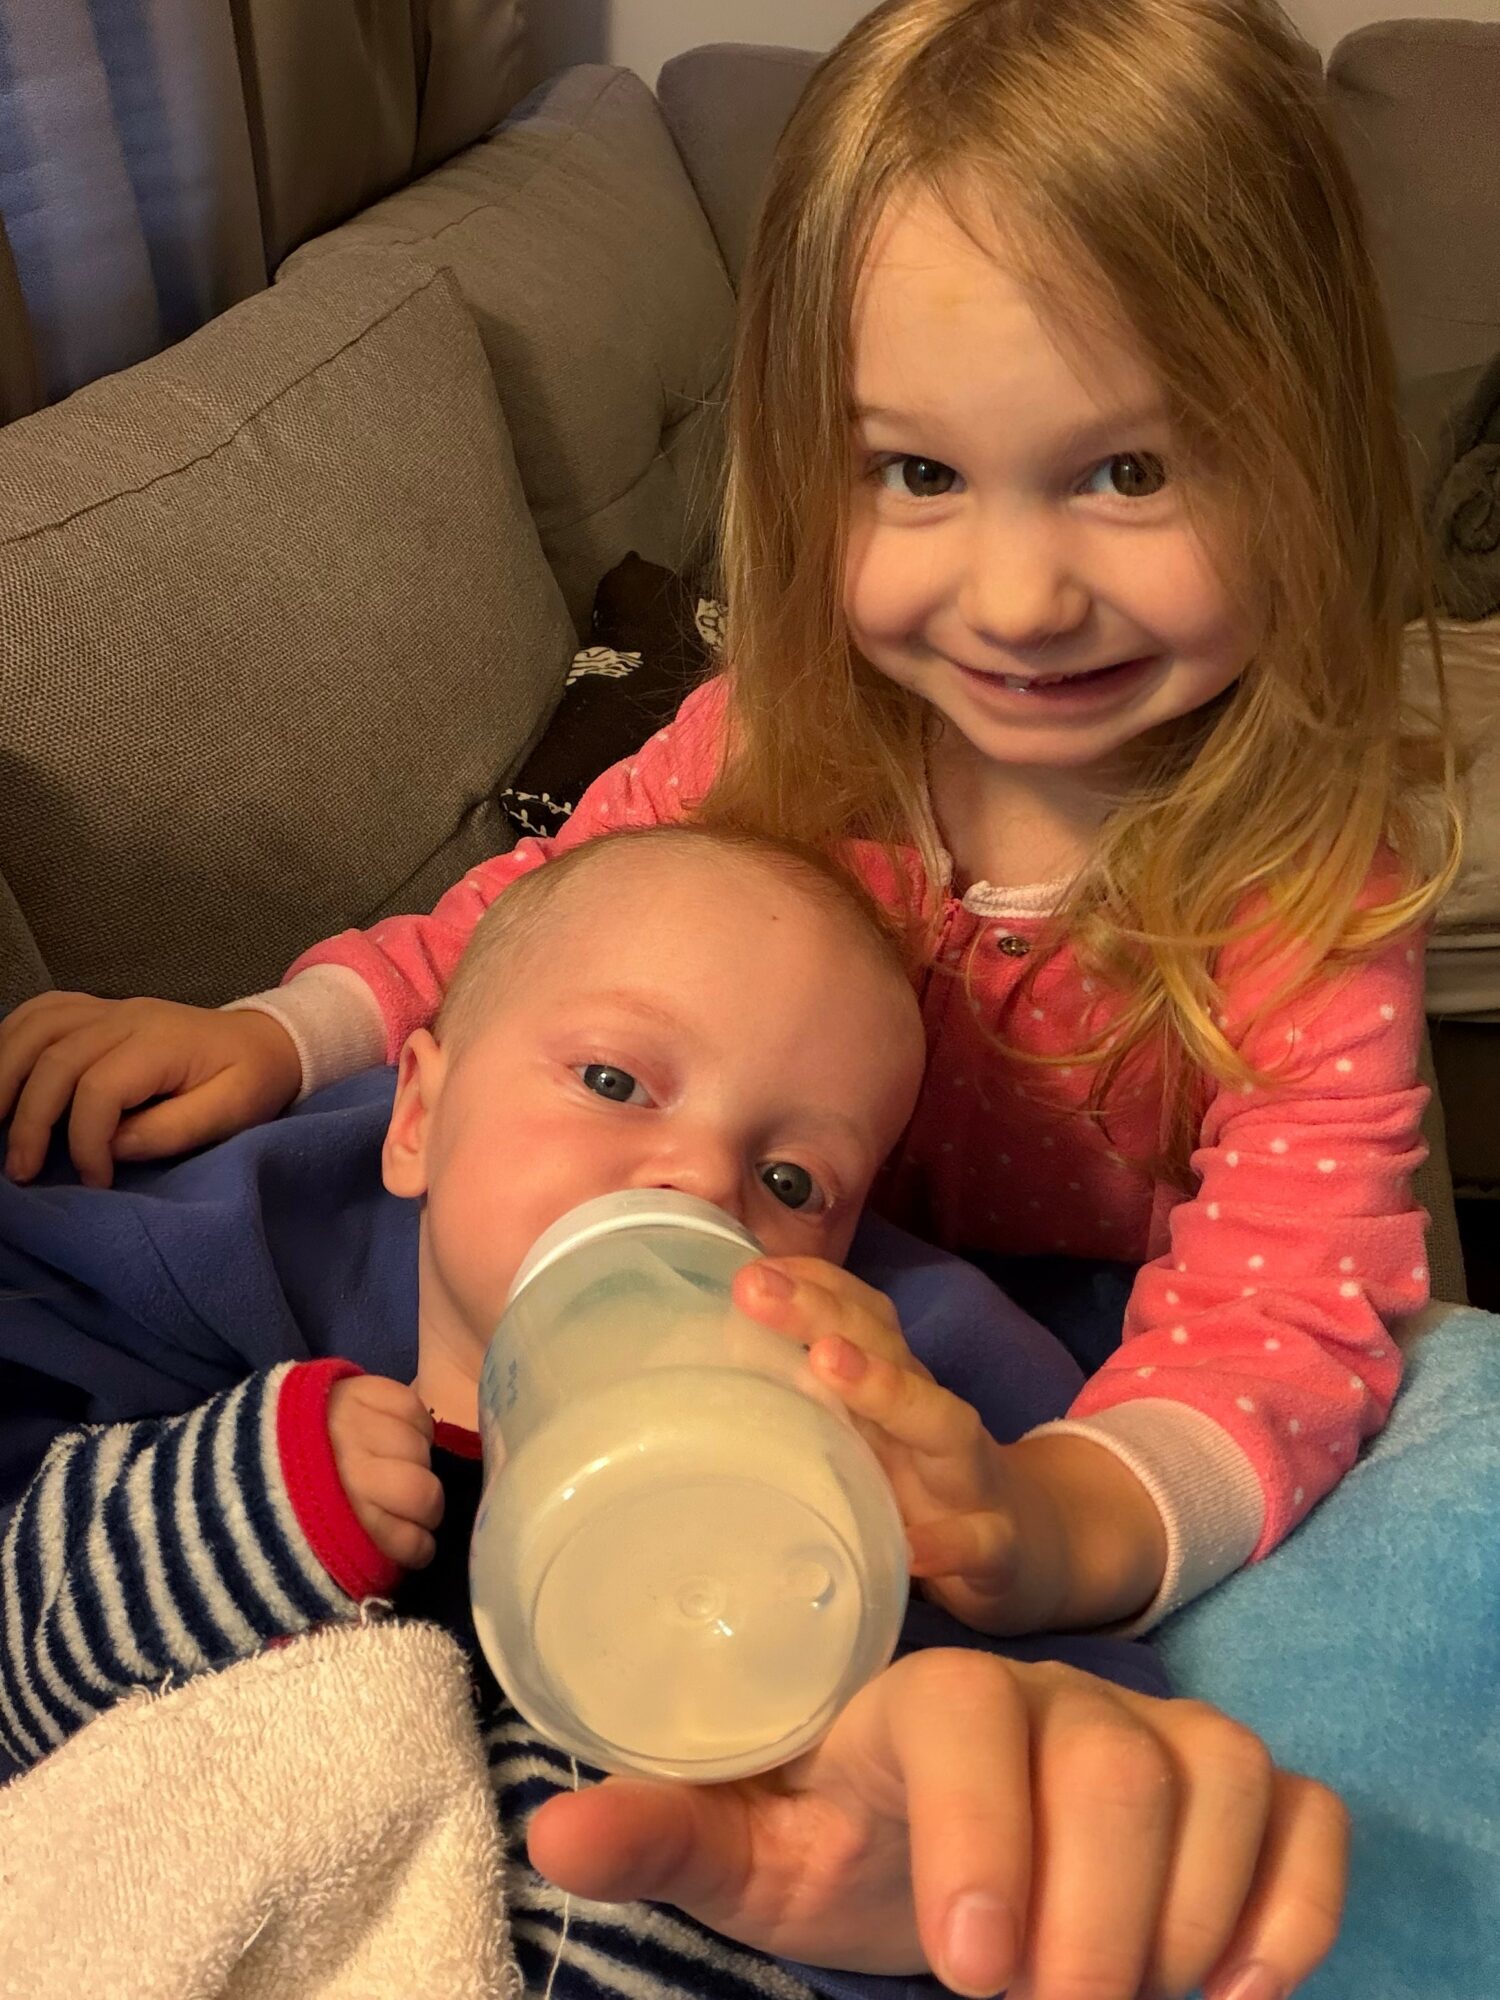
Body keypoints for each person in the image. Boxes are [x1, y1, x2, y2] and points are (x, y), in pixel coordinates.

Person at [0, 0, 1462, 1641]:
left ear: (1311, 461)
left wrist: (1055, 1517)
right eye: (915, 474)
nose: (1020, 596)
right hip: (670, 1293)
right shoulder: (787, 734)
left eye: (1128, 474)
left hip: (1051, 1369)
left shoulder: (1308, 894)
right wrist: (277, 1035)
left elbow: (1287, 1301)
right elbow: (539, 927)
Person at [0, 826, 1347, 2000]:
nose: (701, 1178)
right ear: (416, 1115)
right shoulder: (233, 1333)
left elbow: (1044, 1692)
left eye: (793, 1178)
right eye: (613, 1083)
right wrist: (240, 1500)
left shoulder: (862, 1443)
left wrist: (953, 1807)